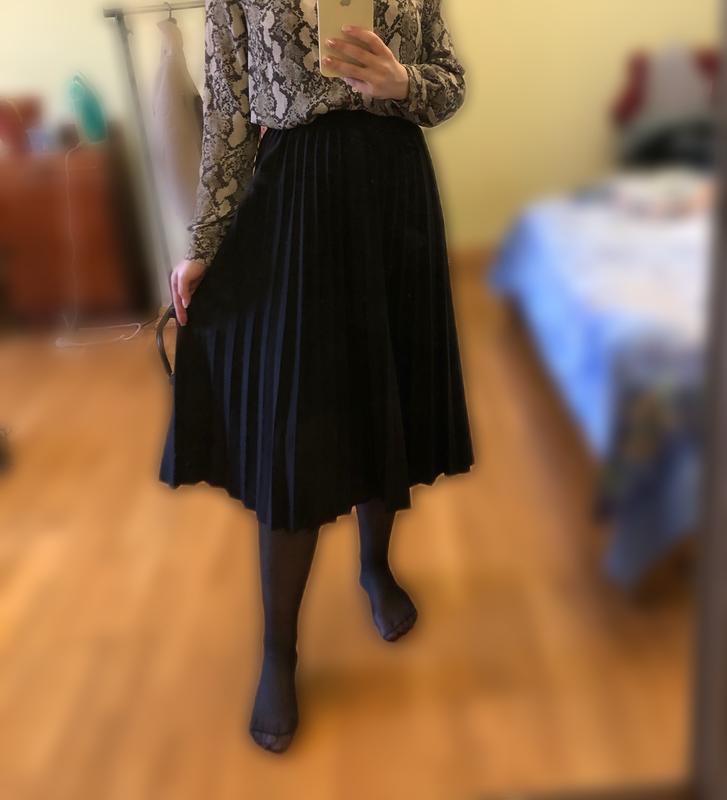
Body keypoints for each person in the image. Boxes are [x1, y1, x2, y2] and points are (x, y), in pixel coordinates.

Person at [160, 0, 474, 754]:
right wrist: (203, 244)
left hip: (395, 196)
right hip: (296, 199)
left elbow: (450, 83)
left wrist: (404, 84)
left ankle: (374, 567)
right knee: (294, 418)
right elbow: (228, 117)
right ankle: (279, 650)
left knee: (385, 387)